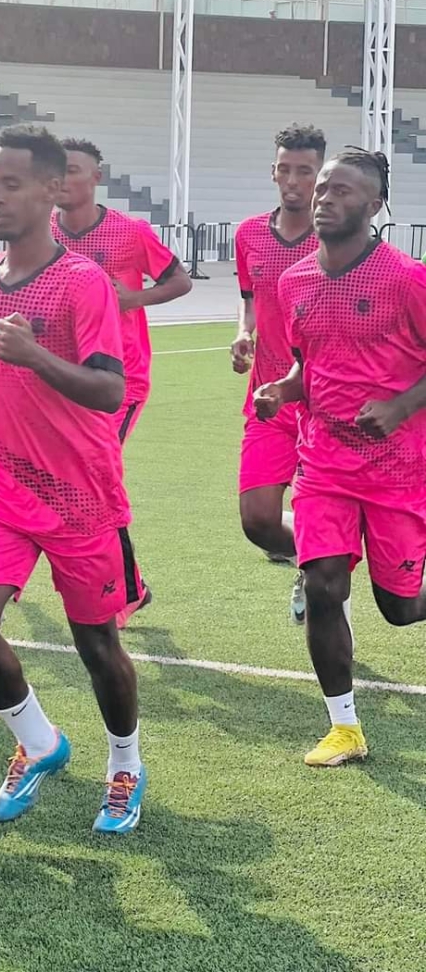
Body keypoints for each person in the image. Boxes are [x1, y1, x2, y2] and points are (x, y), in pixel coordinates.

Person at [0, 125, 147, 834]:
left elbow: (106, 390)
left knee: (98, 648)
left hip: (81, 494)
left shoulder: (83, 282)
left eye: (13, 184)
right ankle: (38, 740)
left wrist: (31, 355)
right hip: (3, 484)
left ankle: (125, 763)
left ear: (52, 189)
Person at [255, 149, 426, 768]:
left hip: (398, 468)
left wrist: (403, 406)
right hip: (324, 460)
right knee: (324, 586)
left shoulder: (408, 277)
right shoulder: (294, 280)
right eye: (324, 187)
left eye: (343, 191)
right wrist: (284, 389)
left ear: (375, 205)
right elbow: (311, 363)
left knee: (400, 607)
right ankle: (344, 727)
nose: (325, 197)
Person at [231, 125, 324, 622]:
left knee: (318, 518)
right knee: (258, 522)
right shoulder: (248, 234)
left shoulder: (335, 239)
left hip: (320, 405)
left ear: (320, 176)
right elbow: (250, 304)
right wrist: (243, 335)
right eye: (285, 169)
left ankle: (326, 575)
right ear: (273, 171)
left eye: (304, 171)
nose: (293, 181)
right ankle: (315, 560)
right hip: (266, 400)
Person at [52, 138, 192, 445]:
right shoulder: (40, 232)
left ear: (96, 178)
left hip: (119, 375)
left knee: (93, 461)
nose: (62, 179)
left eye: (72, 170)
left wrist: (133, 299)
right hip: (59, 376)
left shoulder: (131, 231)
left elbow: (181, 280)